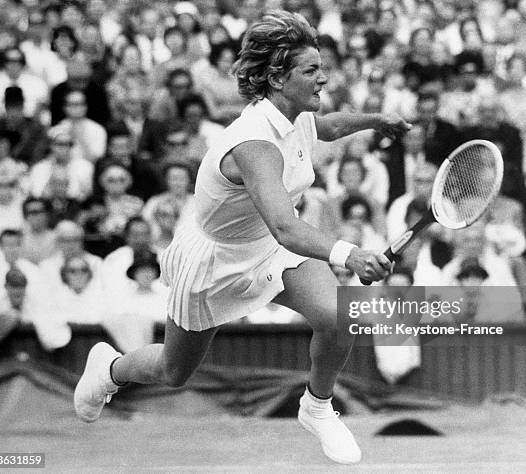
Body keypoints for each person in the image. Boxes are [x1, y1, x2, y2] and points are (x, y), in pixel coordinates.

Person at [73, 11, 409, 465]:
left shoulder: (294, 114)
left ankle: (317, 406)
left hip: (269, 250)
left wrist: (374, 120)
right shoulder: (253, 143)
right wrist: (350, 255)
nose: (324, 78)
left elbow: (324, 128)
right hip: (217, 260)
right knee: (174, 371)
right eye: (311, 70)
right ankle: (110, 369)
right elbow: (286, 226)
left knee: (336, 315)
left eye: (321, 67)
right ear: (276, 77)